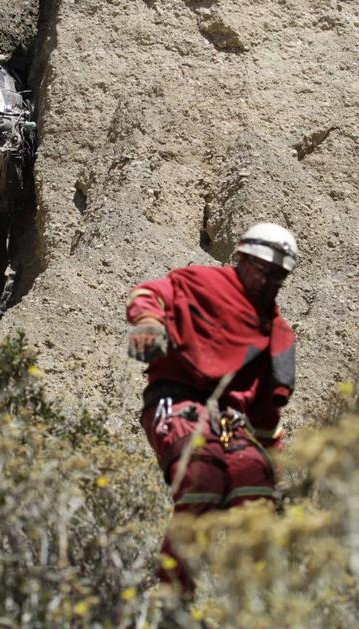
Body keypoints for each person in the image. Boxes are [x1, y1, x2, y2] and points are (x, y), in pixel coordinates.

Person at [126, 222, 297, 597]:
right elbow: (150, 294)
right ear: (241, 258)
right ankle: (172, 597)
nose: (268, 280)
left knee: (255, 491)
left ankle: (254, 602)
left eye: (278, 275)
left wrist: (274, 468)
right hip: (175, 403)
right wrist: (149, 323)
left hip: (232, 422)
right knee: (203, 476)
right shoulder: (199, 282)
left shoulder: (277, 333)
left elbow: (266, 418)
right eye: (262, 269)